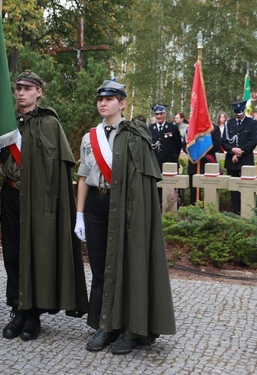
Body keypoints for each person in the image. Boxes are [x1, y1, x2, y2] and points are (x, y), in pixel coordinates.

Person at [75, 80, 176, 354]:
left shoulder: (135, 135)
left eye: (110, 99)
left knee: (129, 266)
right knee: (99, 268)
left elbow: (143, 182)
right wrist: (79, 214)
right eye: (100, 99)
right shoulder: (90, 138)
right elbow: (84, 177)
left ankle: (129, 329)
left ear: (122, 103)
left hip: (127, 207)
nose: (103, 103)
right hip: (97, 205)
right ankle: (103, 325)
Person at [0, 71, 88, 341]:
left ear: (39, 92)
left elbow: (59, 171)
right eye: (18, 89)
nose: (21, 93)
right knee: (13, 254)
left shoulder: (50, 123)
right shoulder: (7, 123)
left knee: (37, 254)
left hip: (40, 201)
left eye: (27, 88)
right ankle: (17, 310)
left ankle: (33, 314)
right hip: (12, 195)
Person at [222, 100, 257, 215]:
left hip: (245, 160)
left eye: (240, 113)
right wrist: (232, 150)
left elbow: (253, 141)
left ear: (244, 111)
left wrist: (239, 152)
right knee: (234, 188)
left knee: (246, 186)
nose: (238, 116)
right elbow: (224, 141)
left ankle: (247, 211)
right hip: (231, 160)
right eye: (236, 114)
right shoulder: (229, 123)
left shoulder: (252, 123)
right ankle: (236, 211)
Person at [149, 104, 181, 209]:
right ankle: (157, 208)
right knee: (157, 188)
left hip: (170, 163)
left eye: (161, 114)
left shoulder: (172, 128)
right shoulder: (150, 128)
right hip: (156, 163)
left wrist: (173, 158)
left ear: (165, 114)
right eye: (157, 114)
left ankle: (173, 208)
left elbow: (178, 145)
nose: (159, 116)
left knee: (172, 188)